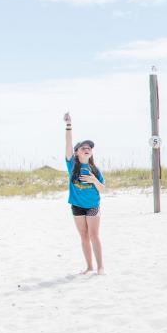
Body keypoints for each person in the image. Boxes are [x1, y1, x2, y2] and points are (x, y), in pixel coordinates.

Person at [63, 112, 106, 274]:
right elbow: (68, 144)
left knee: (94, 235)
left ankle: (100, 266)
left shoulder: (95, 169)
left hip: (93, 206)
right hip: (77, 206)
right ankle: (89, 267)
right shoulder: (72, 165)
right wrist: (68, 125)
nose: (87, 149)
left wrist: (94, 180)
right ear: (77, 153)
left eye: (89, 148)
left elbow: (103, 189)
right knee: (84, 235)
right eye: (83, 147)